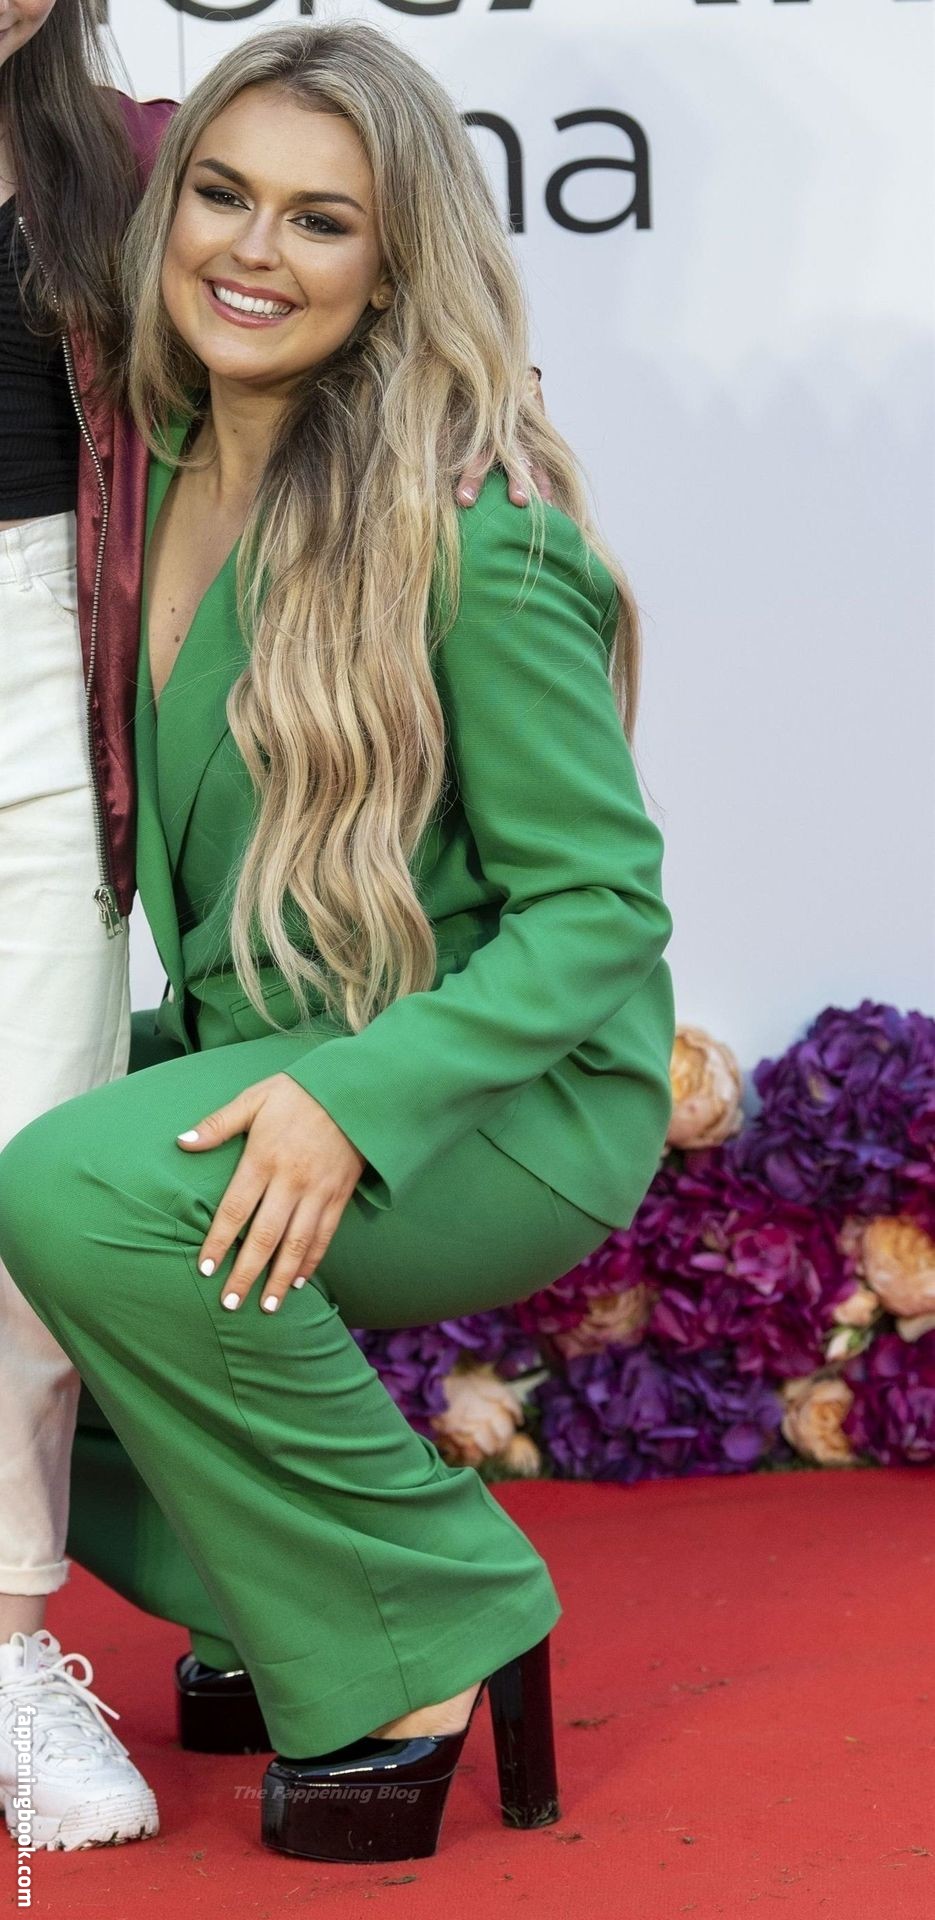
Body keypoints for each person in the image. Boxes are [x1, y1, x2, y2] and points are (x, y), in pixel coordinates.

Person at [0, 20, 675, 1863]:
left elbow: (603, 909)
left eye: (321, 221)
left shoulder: (475, 528)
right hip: (274, 1050)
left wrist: (353, 1100)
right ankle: (278, 1603)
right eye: (221, 195)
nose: (252, 250)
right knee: (19, 1190)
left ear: (394, 268)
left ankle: (428, 1619)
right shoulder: (144, 470)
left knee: (69, 1191)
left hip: (496, 1104)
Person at [0, 0, 173, 1851]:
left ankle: (6, 1649)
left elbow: (359, 320)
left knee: (24, 1190)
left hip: (47, 694)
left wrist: (483, 430)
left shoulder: (121, 163)